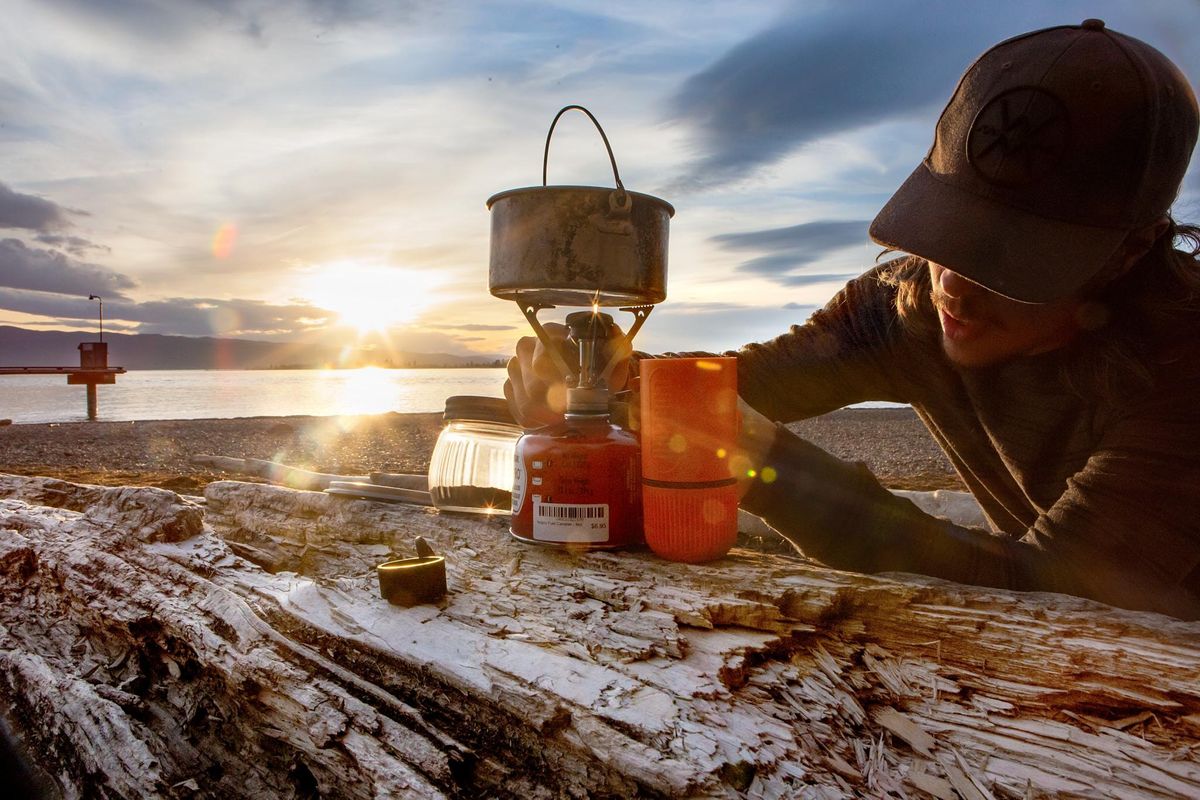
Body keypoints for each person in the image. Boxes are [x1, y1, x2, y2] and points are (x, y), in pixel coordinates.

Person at [506, 20, 1200, 619]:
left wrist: (768, 467)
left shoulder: (1182, 368)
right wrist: (608, 384)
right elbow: (740, 389)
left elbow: (1059, 592)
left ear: (1128, 252)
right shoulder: (904, 308)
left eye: (1006, 260)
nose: (953, 285)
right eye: (948, 235)